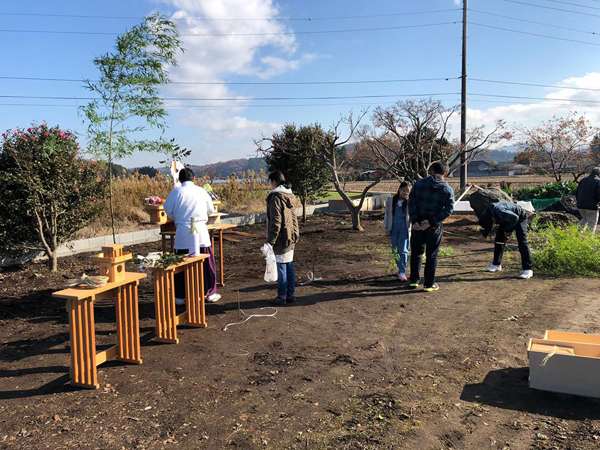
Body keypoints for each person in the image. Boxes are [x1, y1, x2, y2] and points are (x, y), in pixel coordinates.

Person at [163, 168, 221, 305]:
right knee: (206, 263)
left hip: (183, 232)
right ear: (194, 179)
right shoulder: (201, 191)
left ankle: (180, 296)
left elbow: (168, 212)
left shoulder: (175, 192)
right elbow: (210, 210)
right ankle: (210, 293)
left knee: (181, 264)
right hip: (200, 232)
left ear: (179, 180)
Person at [407, 162, 455, 292]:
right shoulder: (447, 189)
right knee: (431, 255)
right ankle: (428, 284)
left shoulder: (419, 184)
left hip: (417, 225)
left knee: (416, 253)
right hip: (433, 226)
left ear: (431, 171)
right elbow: (449, 209)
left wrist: (415, 221)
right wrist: (431, 221)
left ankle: (413, 281)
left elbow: (411, 203)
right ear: (445, 174)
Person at [265, 170, 300, 306]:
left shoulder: (276, 197)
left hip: (281, 237)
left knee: (281, 266)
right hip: (291, 235)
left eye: (269, 183)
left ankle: (282, 296)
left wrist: (270, 241)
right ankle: (290, 294)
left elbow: (276, 222)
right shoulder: (289, 195)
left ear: (274, 182)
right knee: (289, 265)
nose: (269, 186)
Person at [478, 202, 533, 279]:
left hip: (519, 217)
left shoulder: (501, 211)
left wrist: (508, 231)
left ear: (493, 218)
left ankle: (528, 269)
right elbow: (489, 224)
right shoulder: (487, 213)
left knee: (522, 241)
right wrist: (484, 235)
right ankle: (496, 264)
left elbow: (515, 218)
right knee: (498, 240)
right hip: (507, 219)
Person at [384, 181, 412, 282]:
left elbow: (411, 216)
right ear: (399, 189)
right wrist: (387, 227)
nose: (406, 193)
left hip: (404, 228)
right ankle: (399, 268)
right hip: (394, 228)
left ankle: (402, 271)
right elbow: (387, 215)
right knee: (395, 250)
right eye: (404, 190)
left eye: (408, 192)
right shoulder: (391, 200)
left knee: (403, 250)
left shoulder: (409, 202)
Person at [575, 167, 600, 232]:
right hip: (592, 206)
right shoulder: (598, 181)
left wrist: (578, 201)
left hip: (581, 205)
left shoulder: (583, 180)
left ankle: (578, 234)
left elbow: (577, 192)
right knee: (592, 222)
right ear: (598, 174)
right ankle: (588, 238)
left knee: (585, 218)